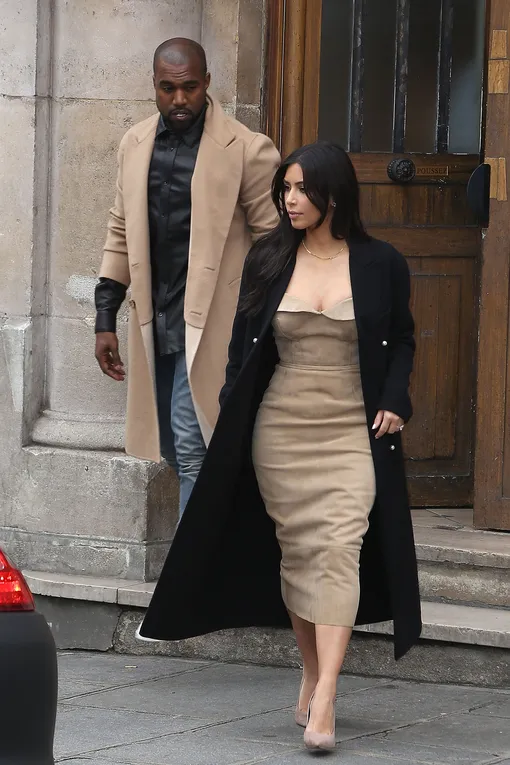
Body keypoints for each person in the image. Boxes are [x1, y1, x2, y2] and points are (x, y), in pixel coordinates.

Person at [139, 142, 422, 751]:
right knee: (298, 556)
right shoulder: (269, 258)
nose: (289, 201)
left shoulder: (381, 264)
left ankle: (326, 700)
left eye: (300, 190)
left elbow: (402, 339)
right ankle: (313, 672)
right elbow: (244, 349)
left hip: (352, 427)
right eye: (284, 190)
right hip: (281, 430)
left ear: (334, 195)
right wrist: (229, 403)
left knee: (339, 546)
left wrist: (396, 398)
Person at [94, 38, 280, 515]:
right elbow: (120, 229)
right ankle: (219, 546)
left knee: (193, 443)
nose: (180, 100)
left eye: (190, 88)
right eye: (168, 88)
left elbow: (274, 244)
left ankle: (191, 580)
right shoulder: (134, 144)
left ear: (208, 83)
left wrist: (257, 319)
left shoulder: (248, 149)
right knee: (172, 446)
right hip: (155, 320)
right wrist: (104, 319)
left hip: (215, 325)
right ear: (154, 87)